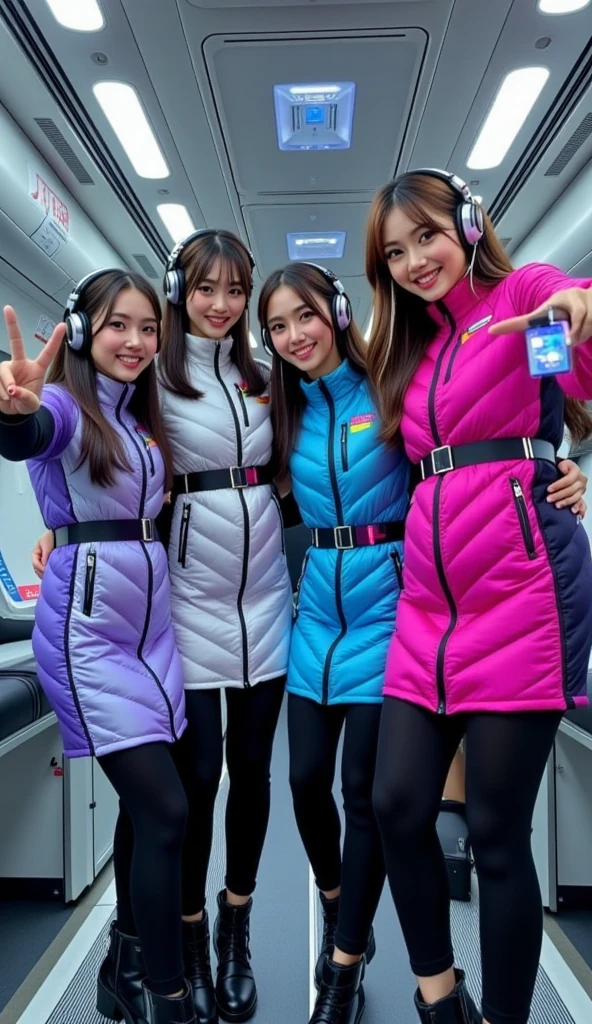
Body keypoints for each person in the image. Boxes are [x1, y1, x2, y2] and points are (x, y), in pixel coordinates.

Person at [32, 231, 293, 1024]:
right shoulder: (149, 385)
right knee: (185, 791)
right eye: (205, 288)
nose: (221, 304)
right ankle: (178, 949)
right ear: (182, 291)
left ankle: (220, 937)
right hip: (176, 611)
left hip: (256, 604)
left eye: (237, 290)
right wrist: (59, 525)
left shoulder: (265, 380)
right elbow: (50, 438)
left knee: (251, 775)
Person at [365, 168, 592, 1024]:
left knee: (496, 836)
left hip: (525, 596)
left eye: (427, 235)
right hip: (429, 609)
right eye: (395, 252)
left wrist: (577, 306)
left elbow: (570, 321)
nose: (415, 260)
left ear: (467, 224)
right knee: (395, 805)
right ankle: (439, 997)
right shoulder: (410, 352)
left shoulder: (520, 296)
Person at [0, 271, 195, 1024]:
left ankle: (123, 967)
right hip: (88, 639)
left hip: (151, 638)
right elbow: (30, 434)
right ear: (82, 332)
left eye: (148, 328)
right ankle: (165, 998)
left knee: (146, 814)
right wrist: (12, 412)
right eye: (119, 325)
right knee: (167, 813)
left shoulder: (139, 419)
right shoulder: (63, 405)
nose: (136, 342)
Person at [258, 261, 409, 1024]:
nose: (295, 336)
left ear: (339, 312)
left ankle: (345, 961)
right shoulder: (281, 415)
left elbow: (462, 457)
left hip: (389, 610)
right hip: (316, 613)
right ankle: (335, 896)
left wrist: (556, 470)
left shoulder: (390, 389)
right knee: (305, 781)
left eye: (305, 316)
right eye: (277, 326)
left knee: (363, 795)